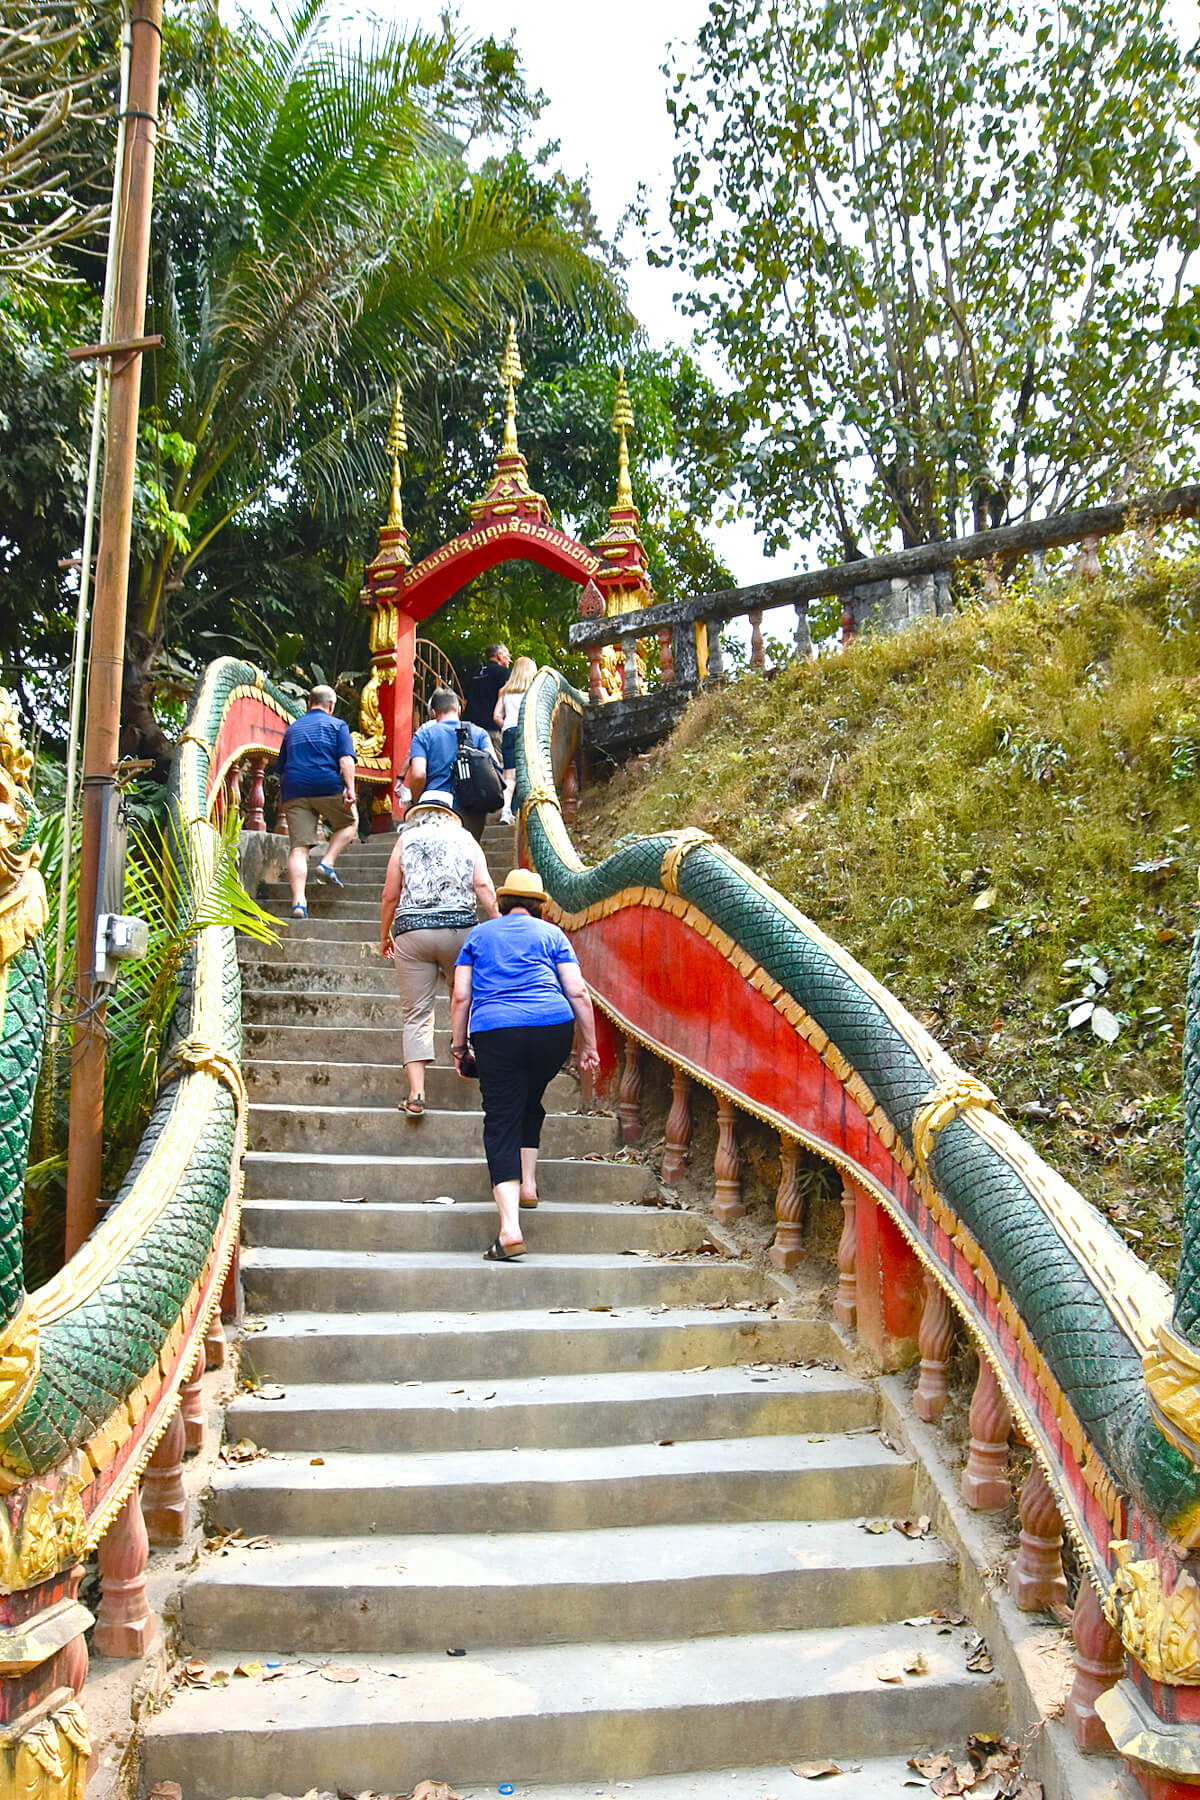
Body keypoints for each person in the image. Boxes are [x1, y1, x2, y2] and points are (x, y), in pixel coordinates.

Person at [451, 868, 600, 1261]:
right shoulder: (553, 935)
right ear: (538, 905)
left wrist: (458, 1045)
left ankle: (510, 1229)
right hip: (552, 1028)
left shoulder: (478, 935)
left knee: (501, 1119)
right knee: (530, 1097)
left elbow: (461, 996)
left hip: (497, 1032)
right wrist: (589, 1045)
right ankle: (529, 1185)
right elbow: (578, 992)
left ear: (502, 902)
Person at [379, 790, 497, 1117]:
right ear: (450, 813)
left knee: (417, 1013)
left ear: (418, 813)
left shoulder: (406, 839)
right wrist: (500, 924)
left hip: (412, 933)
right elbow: (484, 886)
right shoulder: (466, 839)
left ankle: (416, 1094)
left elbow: (390, 894)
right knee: (463, 996)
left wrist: (383, 935)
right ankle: (464, 1057)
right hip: (460, 931)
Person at [276, 684, 358, 919]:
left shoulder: (292, 729)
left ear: (309, 703)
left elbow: (281, 766)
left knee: (299, 848)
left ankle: (299, 903)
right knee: (350, 823)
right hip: (325, 784)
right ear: (331, 706)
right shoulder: (337, 725)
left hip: (294, 788)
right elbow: (345, 760)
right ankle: (327, 863)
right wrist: (350, 789)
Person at [403, 687, 500, 841]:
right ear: (459, 710)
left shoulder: (423, 735)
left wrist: (417, 801)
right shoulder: (479, 733)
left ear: (434, 713)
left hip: (436, 809)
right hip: (472, 810)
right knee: (467, 858)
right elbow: (494, 766)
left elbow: (418, 774)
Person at [493, 655, 537, 825]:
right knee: (527, 771)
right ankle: (527, 812)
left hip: (509, 732)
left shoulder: (505, 691)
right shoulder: (533, 691)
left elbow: (496, 715)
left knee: (509, 775)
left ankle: (505, 811)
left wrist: (507, 726)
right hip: (526, 732)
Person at [465, 642, 511, 735]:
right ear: (500, 656)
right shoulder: (503, 672)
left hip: (469, 726)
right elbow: (507, 699)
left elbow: (465, 699)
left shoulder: (475, 672)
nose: (509, 660)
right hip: (491, 728)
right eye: (508, 656)